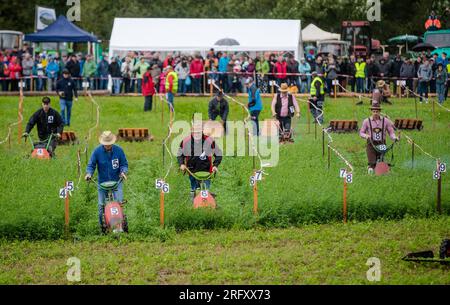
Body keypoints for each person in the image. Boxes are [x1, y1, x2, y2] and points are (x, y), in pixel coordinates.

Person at [85, 131, 129, 233]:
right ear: (102, 143)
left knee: (118, 202)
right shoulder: (97, 152)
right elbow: (91, 165)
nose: (108, 146)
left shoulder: (119, 151)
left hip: (116, 181)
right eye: (106, 144)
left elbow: (124, 164)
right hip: (102, 183)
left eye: (109, 144)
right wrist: (89, 174)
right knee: (101, 206)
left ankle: (120, 226)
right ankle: (103, 228)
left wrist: (123, 172)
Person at [178, 122, 222, 201]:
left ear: (202, 131)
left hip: (206, 171)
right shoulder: (185, 141)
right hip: (192, 170)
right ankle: (194, 204)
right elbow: (180, 154)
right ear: (192, 130)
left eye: (199, 132)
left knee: (205, 191)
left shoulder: (209, 141)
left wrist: (215, 165)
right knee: (194, 189)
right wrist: (181, 164)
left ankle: (207, 205)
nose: (197, 134)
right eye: (195, 132)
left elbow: (218, 154)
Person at [359, 104, 399, 175]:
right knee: (372, 162)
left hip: (382, 143)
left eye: (377, 111)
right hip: (371, 143)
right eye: (374, 111)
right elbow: (361, 133)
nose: (375, 113)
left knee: (381, 160)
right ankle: (371, 169)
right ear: (371, 111)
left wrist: (394, 138)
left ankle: (381, 170)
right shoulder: (366, 121)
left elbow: (391, 132)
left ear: (380, 112)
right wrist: (366, 136)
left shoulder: (386, 121)